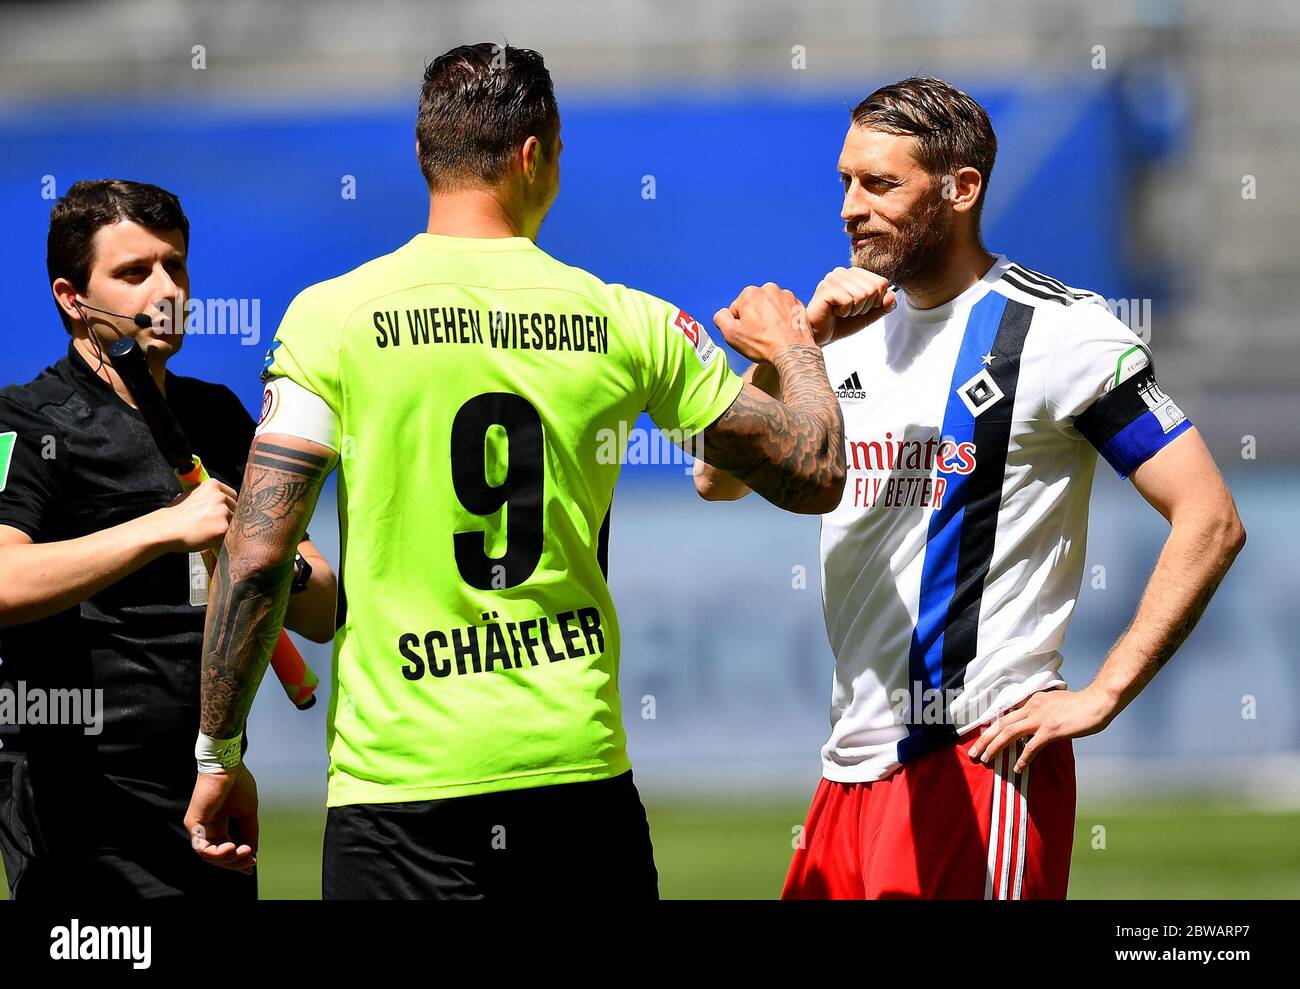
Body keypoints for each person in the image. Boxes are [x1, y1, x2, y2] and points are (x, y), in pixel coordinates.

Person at [182, 43, 845, 900]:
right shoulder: (627, 321)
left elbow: (260, 554)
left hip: (397, 796)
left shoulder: (330, 318)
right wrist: (796, 344)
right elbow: (814, 469)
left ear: (423, 155)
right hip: (574, 784)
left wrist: (218, 753)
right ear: (534, 156)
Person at [695, 77, 1246, 899]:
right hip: (847, 768)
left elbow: (1210, 517)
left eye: (880, 184)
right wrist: (796, 348)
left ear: (960, 189)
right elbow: (716, 480)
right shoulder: (840, 329)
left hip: (980, 756)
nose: (851, 206)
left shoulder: (1060, 332)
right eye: (845, 181)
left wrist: (1101, 694)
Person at [0, 179, 336, 899]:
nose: (167, 289)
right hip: (79, 812)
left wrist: (269, 558)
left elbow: (320, 610)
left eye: (176, 266)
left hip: (207, 792)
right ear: (70, 296)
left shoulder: (217, 415)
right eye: (135, 272)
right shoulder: (27, 422)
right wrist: (164, 529)